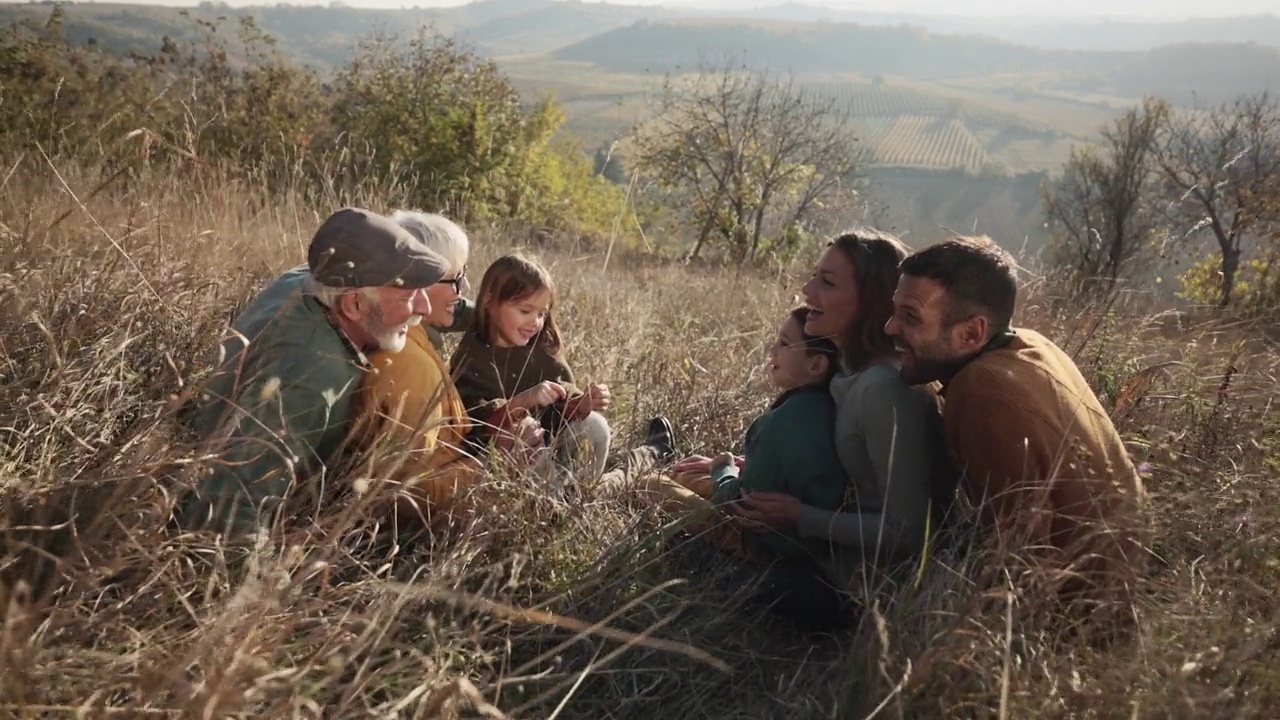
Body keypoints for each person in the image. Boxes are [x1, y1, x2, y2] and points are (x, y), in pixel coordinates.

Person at [884, 235, 1148, 621]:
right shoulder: (1031, 344)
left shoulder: (982, 392)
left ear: (972, 334)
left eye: (910, 317)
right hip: (1123, 582)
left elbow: (1019, 554)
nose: (889, 327)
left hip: (1078, 615)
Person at [174, 207, 451, 535]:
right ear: (355, 305)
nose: (424, 308)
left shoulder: (309, 279)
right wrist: (263, 584)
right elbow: (232, 508)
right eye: (408, 296)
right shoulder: (310, 379)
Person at [354, 212, 542, 533]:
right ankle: (645, 460)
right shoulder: (410, 364)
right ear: (417, 281)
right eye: (456, 278)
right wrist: (499, 460)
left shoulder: (411, 337)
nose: (465, 287)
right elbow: (407, 499)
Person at [652, 307, 850, 566]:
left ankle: (650, 460)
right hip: (812, 546)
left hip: (766, 548)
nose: (772, 351)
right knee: (689, 474)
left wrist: (723, 468)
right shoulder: (829, 408)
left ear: (816, 364)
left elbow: (739, 502)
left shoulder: (782, 421)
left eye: (784, 343)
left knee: (651, 484)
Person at [450, 252, 613, 494]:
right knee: (525, 433)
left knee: (595, 426)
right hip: (498, 469)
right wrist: (525, 400)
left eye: (541, 313)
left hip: (552, 452)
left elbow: (561, 409)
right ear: (489, 301)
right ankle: (549, 508)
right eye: (525, 311)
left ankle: (576, 496)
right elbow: (475, 429)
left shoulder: (541, 349)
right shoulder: (472, 358)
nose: (535, 322)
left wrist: (582, 403)